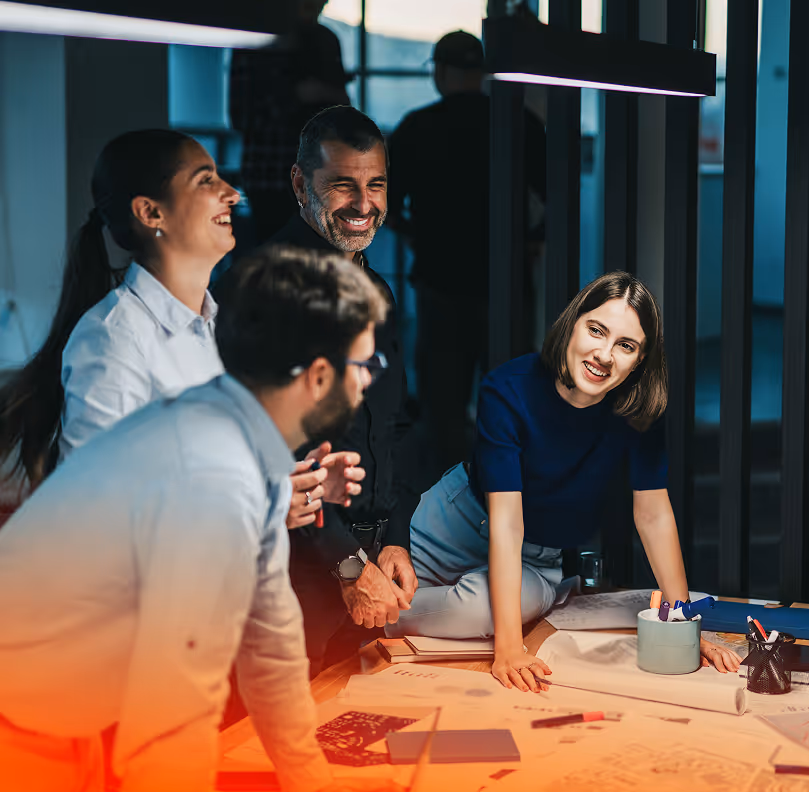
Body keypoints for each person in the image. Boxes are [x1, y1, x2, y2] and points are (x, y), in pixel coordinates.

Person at [0, 247, 406, 792]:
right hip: (22, 736)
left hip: (68, 722)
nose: (368, 384)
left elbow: (272, 638)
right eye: (365, 366)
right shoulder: (212, 475)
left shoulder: (237, 439)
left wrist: (309, 783)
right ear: (319, 377)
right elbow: (173, 696)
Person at [388, 272, 742, 689]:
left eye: (625, 345)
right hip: (450, 529)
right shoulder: (507, 388)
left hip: (532, 561)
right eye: (596, 330)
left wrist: (683, 625)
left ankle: (375, 614)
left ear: (640, 360)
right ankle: (363, 610)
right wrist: (508, 649)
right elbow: (507, 521)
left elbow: (653, 516)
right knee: (386, 586)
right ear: (573, 322)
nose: (604, 355)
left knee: (491, 609)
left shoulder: (638, 414)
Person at [0, 129, 360, 530]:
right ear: (151, 213)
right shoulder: (113, 339)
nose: (232, 192)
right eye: (205, 180)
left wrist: (301, 485)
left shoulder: (216, 327)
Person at [266, 105, 419, 675]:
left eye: (375, 184)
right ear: (300, 183)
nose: (364, 204)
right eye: (343, 186)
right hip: (295, 571)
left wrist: (395, 538)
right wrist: (350, 567)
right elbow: (276, 455)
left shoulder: (376, 287)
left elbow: (394, 424)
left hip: (370, 565)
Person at [387, 30, 547, 481]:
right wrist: (532, 239)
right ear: (481, 73)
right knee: (510, 396)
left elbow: (385, 205)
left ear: (439, 72)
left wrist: (416, 234)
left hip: (442, 281)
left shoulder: (417, 128)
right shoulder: (519, 122)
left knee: (443, 405)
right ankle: (512, 492)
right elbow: (555, 196)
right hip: (507, 281)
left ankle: (451, 505)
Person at [230, 0, 350, 244]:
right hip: (271, 175)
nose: (317, 9)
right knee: (279, 260)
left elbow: (342, 108)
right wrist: (300, 95)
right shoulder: (254, 40)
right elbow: (242, 116)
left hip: (318, 175)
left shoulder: (324, 40)